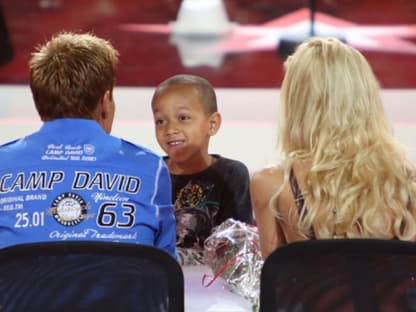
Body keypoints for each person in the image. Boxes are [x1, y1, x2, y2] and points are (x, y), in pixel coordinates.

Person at [0, 31, 177, 259]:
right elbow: (167, 271)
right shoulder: (150, 169)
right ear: (105, 102)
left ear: (38, 103)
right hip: (120, 296)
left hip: (21, 295)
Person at [250, 37, 416, 259]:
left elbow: (273, 282)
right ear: (365, 96)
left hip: (311, 295)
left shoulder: (271, 185)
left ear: (296, 101)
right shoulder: (406, 182)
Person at [151, 74, 253, 265]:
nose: (170, 129)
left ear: (212, 124)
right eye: (160, 121)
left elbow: (237, 248)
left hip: (210, 287)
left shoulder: (231, 175)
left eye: (183, 118)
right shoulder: (150, 172)